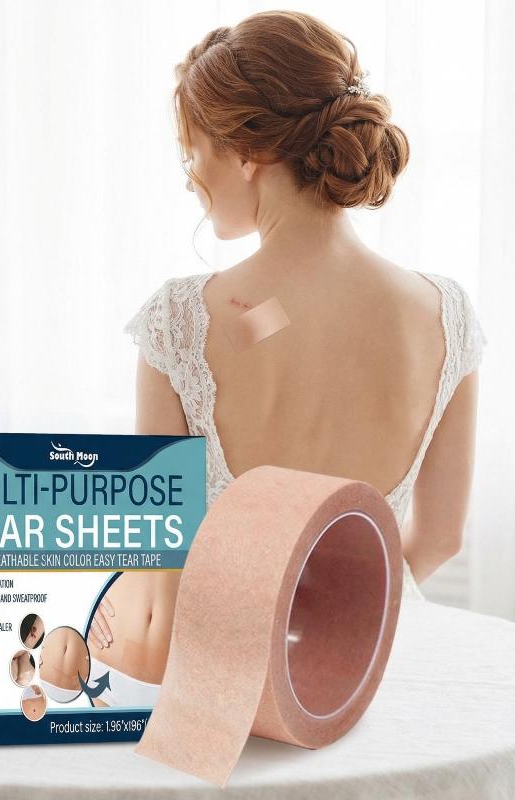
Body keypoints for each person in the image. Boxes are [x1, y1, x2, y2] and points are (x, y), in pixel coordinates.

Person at [124, 10, 486, 603]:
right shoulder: (445, 315)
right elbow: (441, 538)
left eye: (192, 154)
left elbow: (159, 572)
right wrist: (345, 624)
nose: (191, 180)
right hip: (384, 643)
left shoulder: (183, 322)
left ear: (247, 152)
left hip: (226, 647)